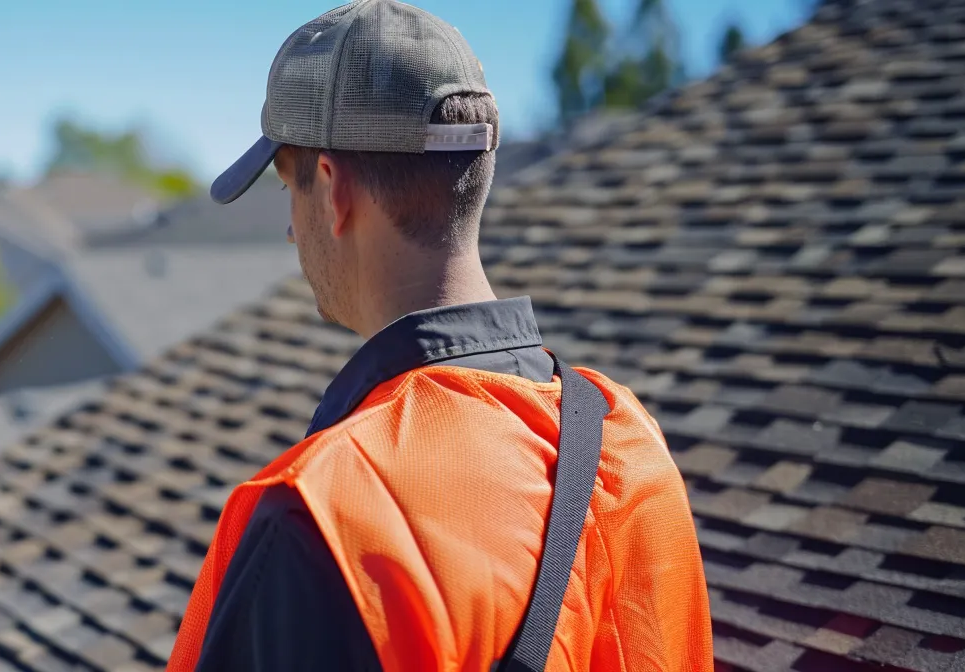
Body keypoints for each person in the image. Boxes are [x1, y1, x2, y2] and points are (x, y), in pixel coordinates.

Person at [167, 1, 714, 670]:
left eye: (290, 185)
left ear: (334, 191)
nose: (292, 227)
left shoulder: (319, 517)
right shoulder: (632, 442)